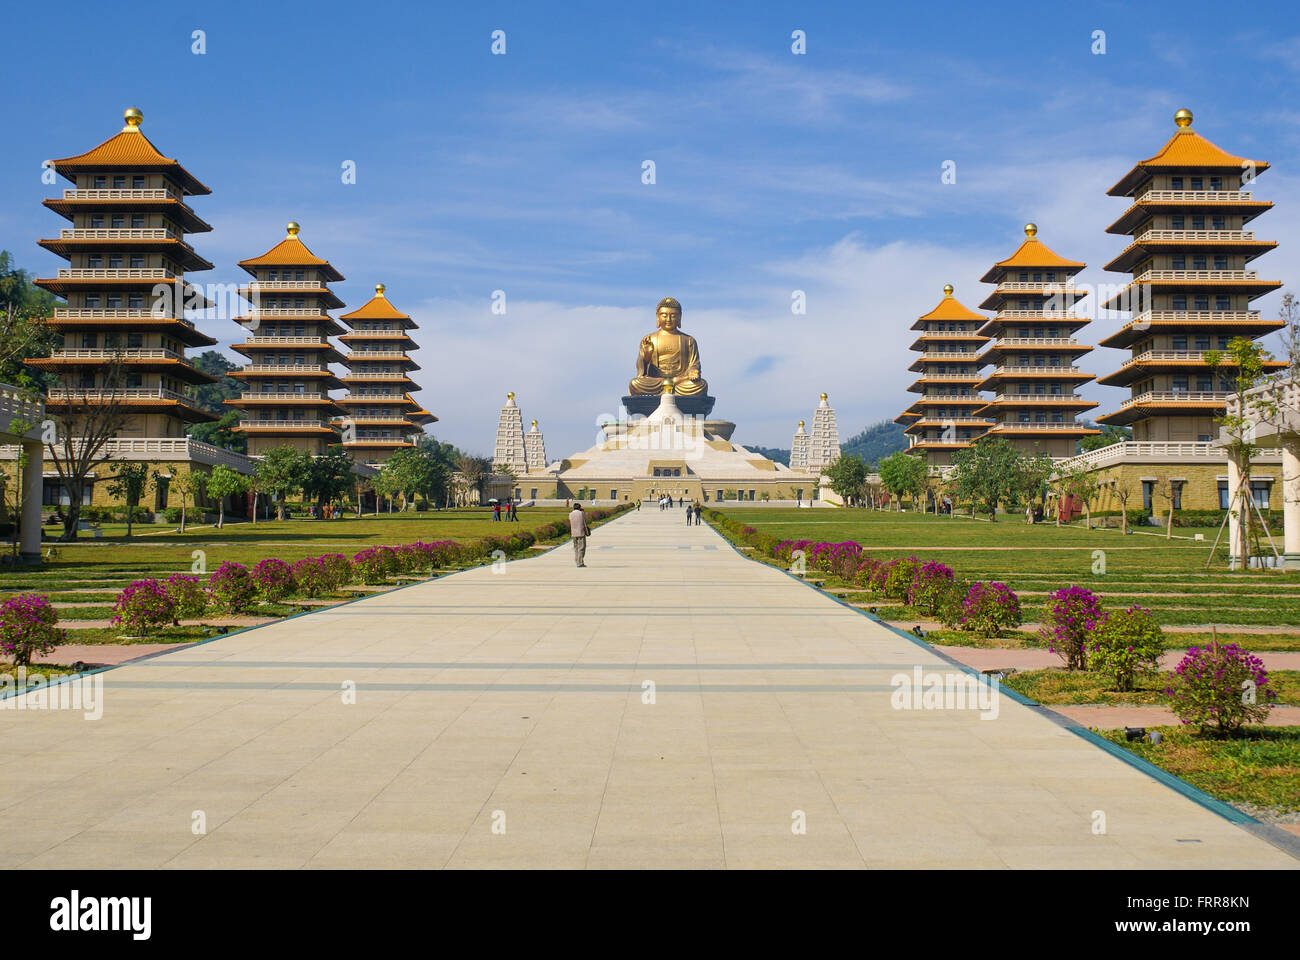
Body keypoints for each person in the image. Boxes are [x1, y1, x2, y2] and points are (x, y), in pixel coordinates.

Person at [569, 502, 591, 567]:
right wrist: (583, 512)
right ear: (580, 507)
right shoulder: (582, 513)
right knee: (581, 548)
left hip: (573, 533)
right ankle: (580, 562)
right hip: (581, 532)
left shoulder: (570, 514)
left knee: (576, 548)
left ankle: (577, 561)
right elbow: (586, 520)